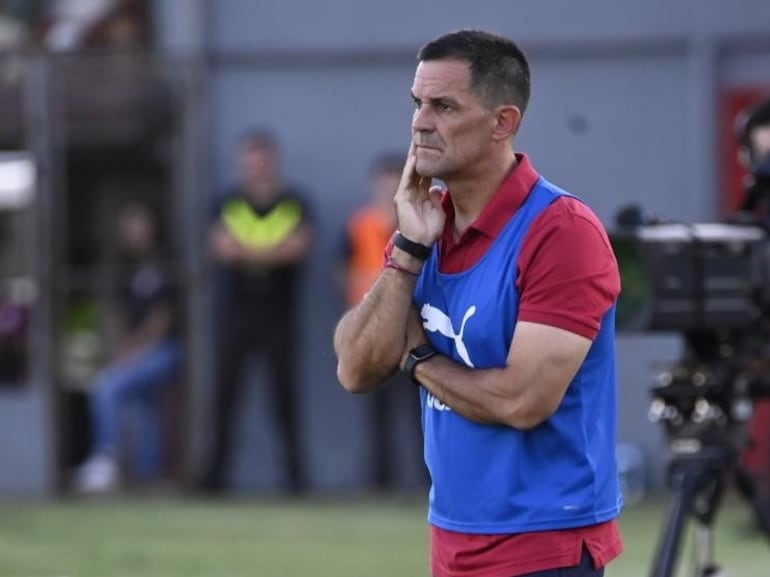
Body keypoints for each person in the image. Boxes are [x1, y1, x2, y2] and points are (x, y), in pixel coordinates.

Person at [333, 29, 624, 577]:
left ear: (503, 122)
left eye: (444, 106)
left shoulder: (562, 231)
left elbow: (522, 401)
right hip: (453, 536)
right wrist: (409, 252)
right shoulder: (428, 226)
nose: (421, 122)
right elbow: (354, 368)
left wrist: (419, 359)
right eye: (417, 103)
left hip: (545, 544)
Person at [201, 128, 313, 495]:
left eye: (263, 160)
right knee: (225, 400)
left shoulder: (294, 202)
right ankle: (214, 480)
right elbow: (220, 248)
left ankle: (296, 481)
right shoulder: (228, 202)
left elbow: (297, 248)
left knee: (285, 400)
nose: (257, 168)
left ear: (274, 161)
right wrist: (270, 253)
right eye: (250, 161)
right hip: (236, 317)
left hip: (279, 316)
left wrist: (247, 253)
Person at [73, 202, 182, 493]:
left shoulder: (165, 261)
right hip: (134, 351)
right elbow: (117, 316)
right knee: (143, 404)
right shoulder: (124, 266)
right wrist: (122, 348)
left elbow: (164, 319)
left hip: (165, 350)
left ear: (151, 225)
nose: (134, 232)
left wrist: (135, 350)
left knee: (106, 386)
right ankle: (150, 474)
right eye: (128, 226)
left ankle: (106, 457)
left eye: (139, 224)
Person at [337, 152, 427, 491]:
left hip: (414, 328)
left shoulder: (419, 223)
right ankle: (380, 481)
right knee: (377, 411)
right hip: (375, 329)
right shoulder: (361, 225)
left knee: (421, 409)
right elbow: (343, 269)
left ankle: (427, 480)